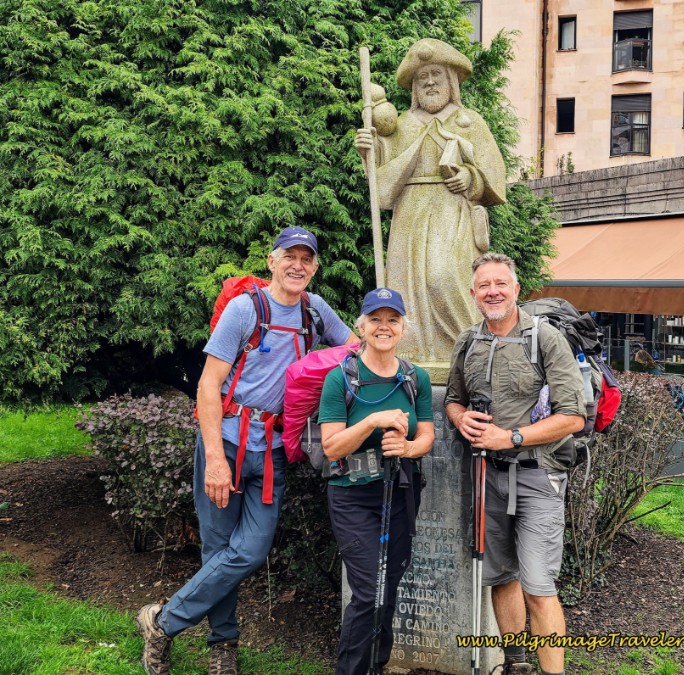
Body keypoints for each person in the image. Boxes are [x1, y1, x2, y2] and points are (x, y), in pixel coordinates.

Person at [137, 227, 355, 675]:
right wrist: (214, 458)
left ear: (314, 268)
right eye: (289, 256)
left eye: (306, 259)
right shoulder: (244, 309)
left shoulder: (315, 311)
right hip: (229, 441)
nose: (297, 265)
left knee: (251, 550)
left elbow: (355, 348)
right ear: (272, 261)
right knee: (218, 548)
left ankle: (162, 620)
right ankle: (223, 647)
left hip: (273, 447)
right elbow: (208, 385)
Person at [445, 253, 586, 675]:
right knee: (501, 577)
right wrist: (460, 417)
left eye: (500, 283)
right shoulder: (467, 342)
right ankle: (515, 665)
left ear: (516, 289)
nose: (492, 291)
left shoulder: (545, 339)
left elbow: (573, 417)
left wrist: (511, 437)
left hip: (537, 476)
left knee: (540, 588)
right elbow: (454, 399)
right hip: (486, 478)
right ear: (473, 294)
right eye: (484, 285)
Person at [355, 38, 506, 364]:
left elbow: (493, 177)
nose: (430, 83)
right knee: (406, 288)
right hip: (409, 215)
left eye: (436, 74)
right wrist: (369, 149)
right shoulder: (401, 126)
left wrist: (471, 178)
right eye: (422, 78)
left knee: (444, 278)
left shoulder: (469, 122)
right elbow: (379, 181)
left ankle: (472, 353)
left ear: (451, 80)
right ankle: (409, 353)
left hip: (450, 213)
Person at [318, 288, 435, 675]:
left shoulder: (414, 377)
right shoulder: (341, 379)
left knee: (388, 588)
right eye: (376, 319)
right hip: (353, 496)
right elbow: (332, 447)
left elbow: (427, 438)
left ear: (403, 328)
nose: (384, 327)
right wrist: (372, 421)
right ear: (362, 325)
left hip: (400, 492)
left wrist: (406, 446)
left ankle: (377, 664)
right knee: (369, 591)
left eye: (392, 320)